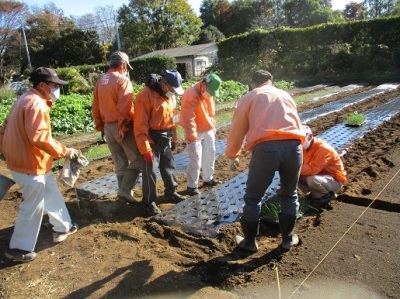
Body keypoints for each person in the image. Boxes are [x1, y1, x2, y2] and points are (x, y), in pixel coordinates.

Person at [0, 67, 79, 262]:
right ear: (42, 85)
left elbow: (4, 127)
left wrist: (4, 150)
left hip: (25, 160)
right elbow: (39, 137)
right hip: (29, 164)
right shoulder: (36, 104)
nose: (57, 89)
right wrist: (63, 151)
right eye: (54, 85)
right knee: (33, 206)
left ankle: (64, 226)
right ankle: (19, 248)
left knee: (50, 191)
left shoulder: (24, 99)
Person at [225, 69, 305, 252]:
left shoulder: (251, 96)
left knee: (253, 197)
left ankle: (250, 242)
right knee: (290, 194)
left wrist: (232, 154)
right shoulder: (285, 95)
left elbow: (238, 128)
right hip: (294, 147)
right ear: (270, 81)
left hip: (266, 149)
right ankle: (287, 239)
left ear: (253, 83)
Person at [92, 51, 142, 203]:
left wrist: (101, 127)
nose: (126, 69)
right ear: (122, 65)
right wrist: (123, 127)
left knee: (120, 162)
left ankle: (124, 195)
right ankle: (124, 191)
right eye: (126, 66)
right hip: (121, 126)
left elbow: (95, 107)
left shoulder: (100, 81)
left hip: (108, 127)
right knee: (137, 161)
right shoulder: (122, 81)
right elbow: (125, 107)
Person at [134, 70, 186, 216]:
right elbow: (140, 126)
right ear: (164, 84)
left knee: (169, 165)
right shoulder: (145, 95)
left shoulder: (171, 97)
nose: (173, 92)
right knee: (150, 171)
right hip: (151, 138)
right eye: (172, 89)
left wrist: (174, 137)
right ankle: (149, 202)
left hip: (166, 136)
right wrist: (146, 150)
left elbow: (174, 117)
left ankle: (171, 192)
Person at [180, 72, 223, 196]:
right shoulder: (190, 94)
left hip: (207, 127)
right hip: (195, 130)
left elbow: (211, 111)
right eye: (210, 91)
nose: (211, 94)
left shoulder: (210, 93)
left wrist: (213, 125)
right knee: (196, 157)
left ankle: (208, 179)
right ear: (203, 85)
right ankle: (191, 186)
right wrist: (192, 139)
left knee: (210, 152)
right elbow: (189, 120)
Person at [298, 125, 347, 204]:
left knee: (312, 180)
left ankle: (326, 195)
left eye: (300, 139)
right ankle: (313, 194)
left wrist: (293, 168)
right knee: (295, 177)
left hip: (334, 180)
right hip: (320, 177)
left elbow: (312, 170)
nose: (297, 142)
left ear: (309, 137)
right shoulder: (304, 148)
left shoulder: (323, 149)